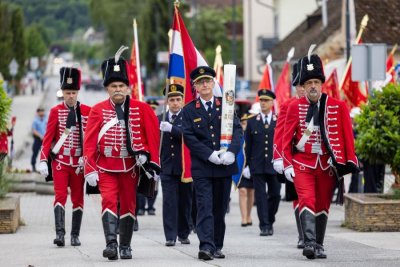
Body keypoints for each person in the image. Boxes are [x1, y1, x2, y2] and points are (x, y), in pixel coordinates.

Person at [83, 49, 160, 260]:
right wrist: (89, 169)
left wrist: (148, 158)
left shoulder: (141, 108)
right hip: (105, 166)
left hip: (130, 168)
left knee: (129, 204)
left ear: (128, 88)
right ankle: (111, 244)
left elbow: (151, 136)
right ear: (107, 88)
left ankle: (125, 246)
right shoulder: (97, 110)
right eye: (113, 86)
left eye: (121, 86)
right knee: (108, 200)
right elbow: (89, 142)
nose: (118, 90)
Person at [282, 54, 358, 259]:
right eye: (309, 83)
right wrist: (287, 163)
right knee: (307, 199)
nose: (313, 86)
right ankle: (308, 243)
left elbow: (347, 137)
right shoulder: (293, 107)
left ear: (321, 84)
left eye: (316, 82)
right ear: (304, 86)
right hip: (302, 163)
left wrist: (349, 161)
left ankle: (319, 244)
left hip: (327, 165)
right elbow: (286, 139)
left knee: (323, 203)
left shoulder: (337, 106)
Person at [182, 66, 242, 261]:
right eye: (200, 82)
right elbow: (189, 137)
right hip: (203, 167)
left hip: (224, 167)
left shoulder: (226, 105)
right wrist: (209, 155)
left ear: (213, 83)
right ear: (195, 87)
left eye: (208, 80)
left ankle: (217, 244)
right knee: (204, 206)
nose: (205, 84)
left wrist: (232, 152)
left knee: (219, 208)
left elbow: (237, 130)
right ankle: (206, 246)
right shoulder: (189, 110)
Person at [38, 67, 91, 247]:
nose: (70, 96)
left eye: (73, 92)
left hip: (78, 163)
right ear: (63, 92)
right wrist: (43, 159)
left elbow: (92, 139)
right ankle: (60, 234)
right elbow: (47, 139)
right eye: (67, 92)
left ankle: (75, 235)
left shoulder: (87, 111)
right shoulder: (55, 111)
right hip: (60, 162)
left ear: (77, 92)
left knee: (78, 199)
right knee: (60, 196)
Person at [273, 62, 306, 248]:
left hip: (317, 158)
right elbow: (280, 132)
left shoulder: (321, 104)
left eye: (306, 84)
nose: (303, 89)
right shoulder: (288, 105)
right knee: (299, 197)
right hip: (294, 156)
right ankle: (303, 235)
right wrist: (278, 157)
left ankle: (313, 236)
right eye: (300, 85)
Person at [159, 84, 193, 247]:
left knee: (185, 201)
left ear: (182, 101)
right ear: (167, 102)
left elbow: (189, 137)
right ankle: (170, 236)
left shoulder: (188, 118)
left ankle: (184, 233)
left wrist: (172, 129)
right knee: (169, 202)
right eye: (171, 99)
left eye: (178, 99)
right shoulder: (160, 119)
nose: (174, 103)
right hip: (166, 167)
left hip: (185, 167)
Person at [244, 89, 281, 236]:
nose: (263, 103)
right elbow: (248, 145)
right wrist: (246, 165)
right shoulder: (252, 121)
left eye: (266, 101)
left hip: (274, 165)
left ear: (272, 102)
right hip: (257, 165)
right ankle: (264, 225)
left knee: (275, 195)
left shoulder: (279, 121)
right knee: (260, 196)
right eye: (261, 100)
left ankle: (270, 219)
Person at [136, 99, 160, 216]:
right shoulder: (142, 120)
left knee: (154, 184)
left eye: (154, 108)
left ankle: (151, 206)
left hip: (157, 156)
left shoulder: (160, 120)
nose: (152, 110)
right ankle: (141, 207)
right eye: (150, 108)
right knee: (142, 182)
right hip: (144, 156)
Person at [237, 114, 255, 227]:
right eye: (243, 123)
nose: (245, 126)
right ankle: (243, 217)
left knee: (251, 191)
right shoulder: (238, 136)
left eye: (247, 124)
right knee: (242, 191)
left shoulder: (253, 135)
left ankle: (249, 215)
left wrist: (251, 166)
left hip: (252, 166)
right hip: (240, 167)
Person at [31, 107, 47, 172]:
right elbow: (34, 130)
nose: (42, 113)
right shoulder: (35, 120)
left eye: (43, 111)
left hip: (45, 139)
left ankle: (45, 168)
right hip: (38, 139)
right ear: (38, 113)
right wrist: (40, 136)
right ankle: (33, 166)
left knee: (45, 154)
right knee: (35, 152)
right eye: (40, 111)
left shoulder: (46, 119)